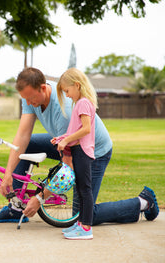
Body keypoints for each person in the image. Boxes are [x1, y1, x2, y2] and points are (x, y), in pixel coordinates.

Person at [0, 67, 159, 228]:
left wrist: (39, 198)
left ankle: (143, 202)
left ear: (43, 88)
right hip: (64, 140)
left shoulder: (64, 110)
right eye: (25, 99)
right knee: (28, 144)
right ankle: (17, 208)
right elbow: (22, 136)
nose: (28, 103)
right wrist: (8, 174)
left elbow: (67, 167)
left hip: (94, 151)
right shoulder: (29, 96)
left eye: (31, 98)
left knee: (81, 215)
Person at [49, 68, 97, 239]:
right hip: (79, 150)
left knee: (85, 189)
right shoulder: (80, 103)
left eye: (67, 91)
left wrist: (64, 141)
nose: (67, 95)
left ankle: (86, 228)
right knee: (80, 189)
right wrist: (60, 138)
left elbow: (85, 129)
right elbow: (74, 130)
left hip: (82, 151)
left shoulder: (83, 103)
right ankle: (80, 223)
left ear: (77, 85)